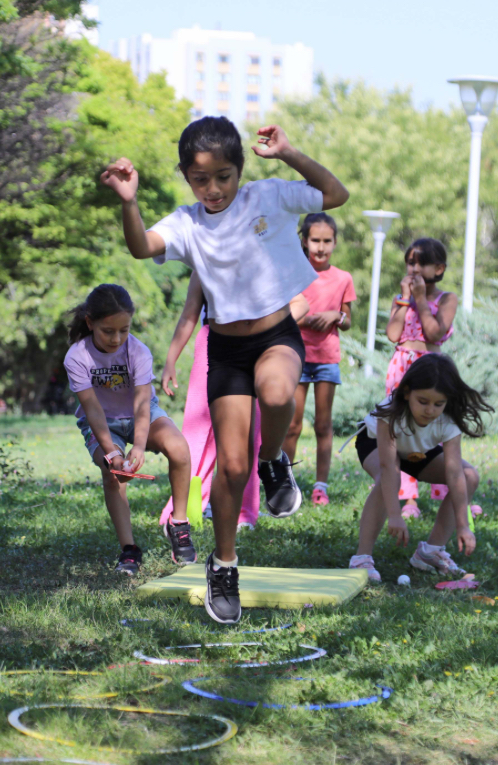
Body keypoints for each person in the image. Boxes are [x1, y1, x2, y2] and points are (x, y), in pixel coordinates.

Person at [101, 116, 348, 623]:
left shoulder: (268, 196)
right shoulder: (188, 223)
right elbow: (140, 246)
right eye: (200, 180)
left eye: (224, 177)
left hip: (277, 335)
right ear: (187, 178)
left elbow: (335, 194)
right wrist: (129, 201)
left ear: (239, 170)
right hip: (227, 352)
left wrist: (290, 153)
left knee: (278, 395)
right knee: (232, 468)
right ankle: (224, 564)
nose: (213, 189)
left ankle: (274, 458)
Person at [160, 274, 312, 532]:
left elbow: (300, 303)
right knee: (195, 430)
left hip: (255, 347)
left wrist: (270, 330)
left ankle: (244, 511)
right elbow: (189, 315)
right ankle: (183, 508)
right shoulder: (203, 259)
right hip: (212, 343)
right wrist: (171, 359)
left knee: (247, 434)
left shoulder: (260, 254)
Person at [63, 284, 196, 575]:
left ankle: (179, 524)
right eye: (108, 331)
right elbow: (93, 409)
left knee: (180, 449)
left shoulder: (138, 351)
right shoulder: (77, 357)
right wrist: (112, 453)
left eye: (124, 330)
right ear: (90, 323)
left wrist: (138, 445)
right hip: (102, 421)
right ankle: (129, 549)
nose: (117, 338)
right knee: (114, 477)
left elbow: (142, 404)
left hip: (142, 414)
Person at [349, 354, 491, 583]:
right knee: (390, 479)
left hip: (417, 448)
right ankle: (361, 558)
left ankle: (430, 552)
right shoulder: (391, 412)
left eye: (438, 404)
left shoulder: (448, 419)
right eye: (423, 401)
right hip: (376, 443)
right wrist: (395, 515)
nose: (430, 410)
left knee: (469, 476)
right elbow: (388, 467)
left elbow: (454, 473)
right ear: (407, 393)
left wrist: (463, 525)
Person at [283, 212, 356, 506]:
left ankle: (320, 487)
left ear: (335, 243)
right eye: (315, 240)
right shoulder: (293, 273)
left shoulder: (343, 279)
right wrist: (306, 319)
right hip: (296, 356)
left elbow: (348, 319)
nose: (321, 247)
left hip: (327, 359)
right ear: (304, 241)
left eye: (327, 241)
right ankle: (284, 482)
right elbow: (283, 314)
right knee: (292, 424)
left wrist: (336, 316)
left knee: (324, 425)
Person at [384, 238, 459, 519]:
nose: (413, 268)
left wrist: (420, 301)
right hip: (402, 368)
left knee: (435, 428)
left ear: (439, 268)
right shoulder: (401, 299)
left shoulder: (446, 299)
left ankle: (446, 490)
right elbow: (393, 334)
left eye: (421, 262)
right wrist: (405, 299)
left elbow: (435, 333)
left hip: (431, 368)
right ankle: (409, 499)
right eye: (410, 261)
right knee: (401, 430)